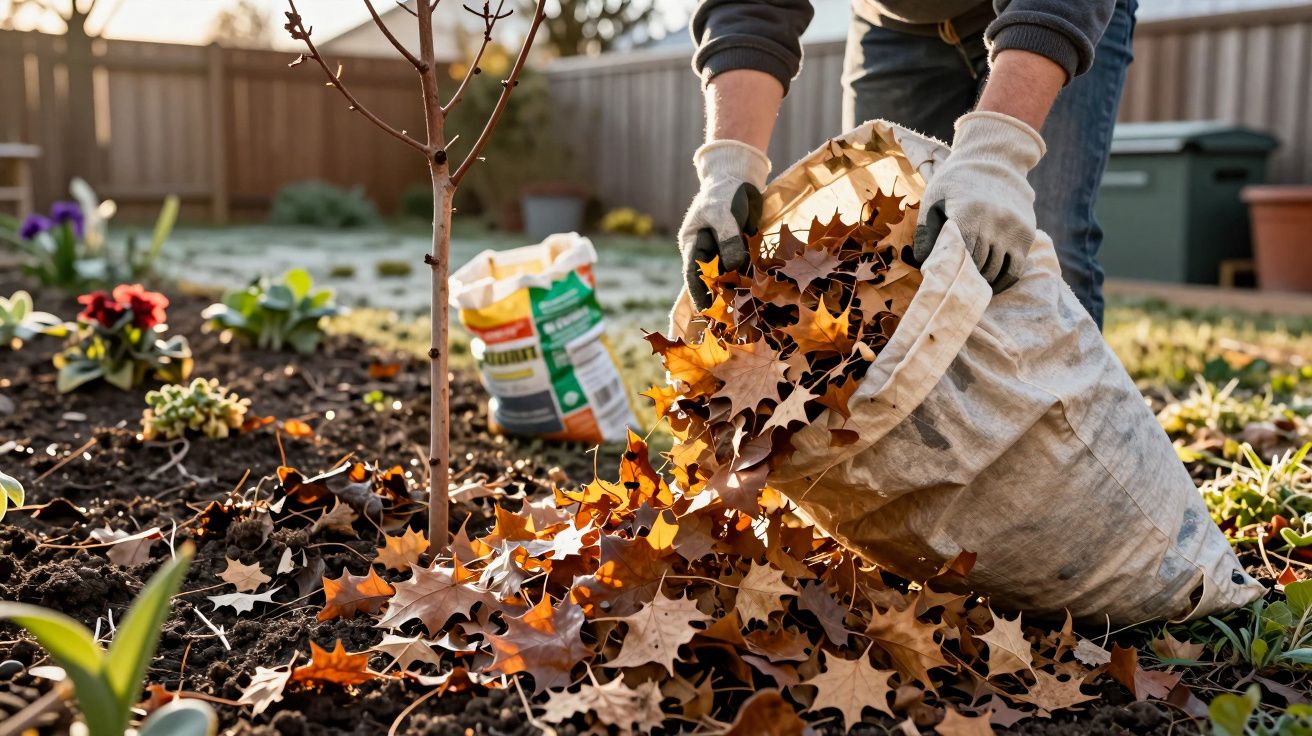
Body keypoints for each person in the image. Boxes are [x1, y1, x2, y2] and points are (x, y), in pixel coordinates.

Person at [678, 0, 1138, 328]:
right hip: (891, 26)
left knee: (1043, 249)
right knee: (879, 257)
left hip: (1052, 11)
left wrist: (997, 156)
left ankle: (1063, 455)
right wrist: (728, 166)